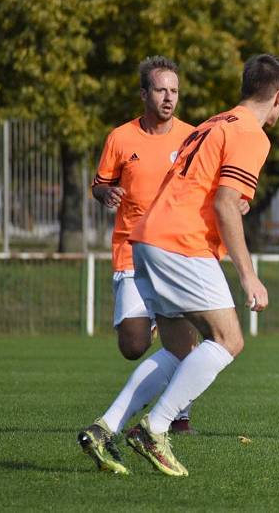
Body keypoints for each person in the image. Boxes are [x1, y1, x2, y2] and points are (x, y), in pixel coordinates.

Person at [78, 53, 279, 477]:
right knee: (229, 340)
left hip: (145, 240)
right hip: (182, 244)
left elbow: (204, 189)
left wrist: (231, 204)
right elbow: (225, 202)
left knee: (180, 349)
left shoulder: (214, 123)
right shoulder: (252, 134)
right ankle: (155, 429)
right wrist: (249, 277)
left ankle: (105, 429)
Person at [91, 55, 198, 435]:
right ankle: (149, 323)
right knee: (133, 346)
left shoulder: (192, 137)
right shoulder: (120, 138)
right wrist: (106, 194)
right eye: (160, 90)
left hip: (175, 250)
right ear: (143, 94)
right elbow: (99, 183)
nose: (169, 98)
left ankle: (178, 416)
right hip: (131, 249)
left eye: (174, 91)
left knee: (184, 339)